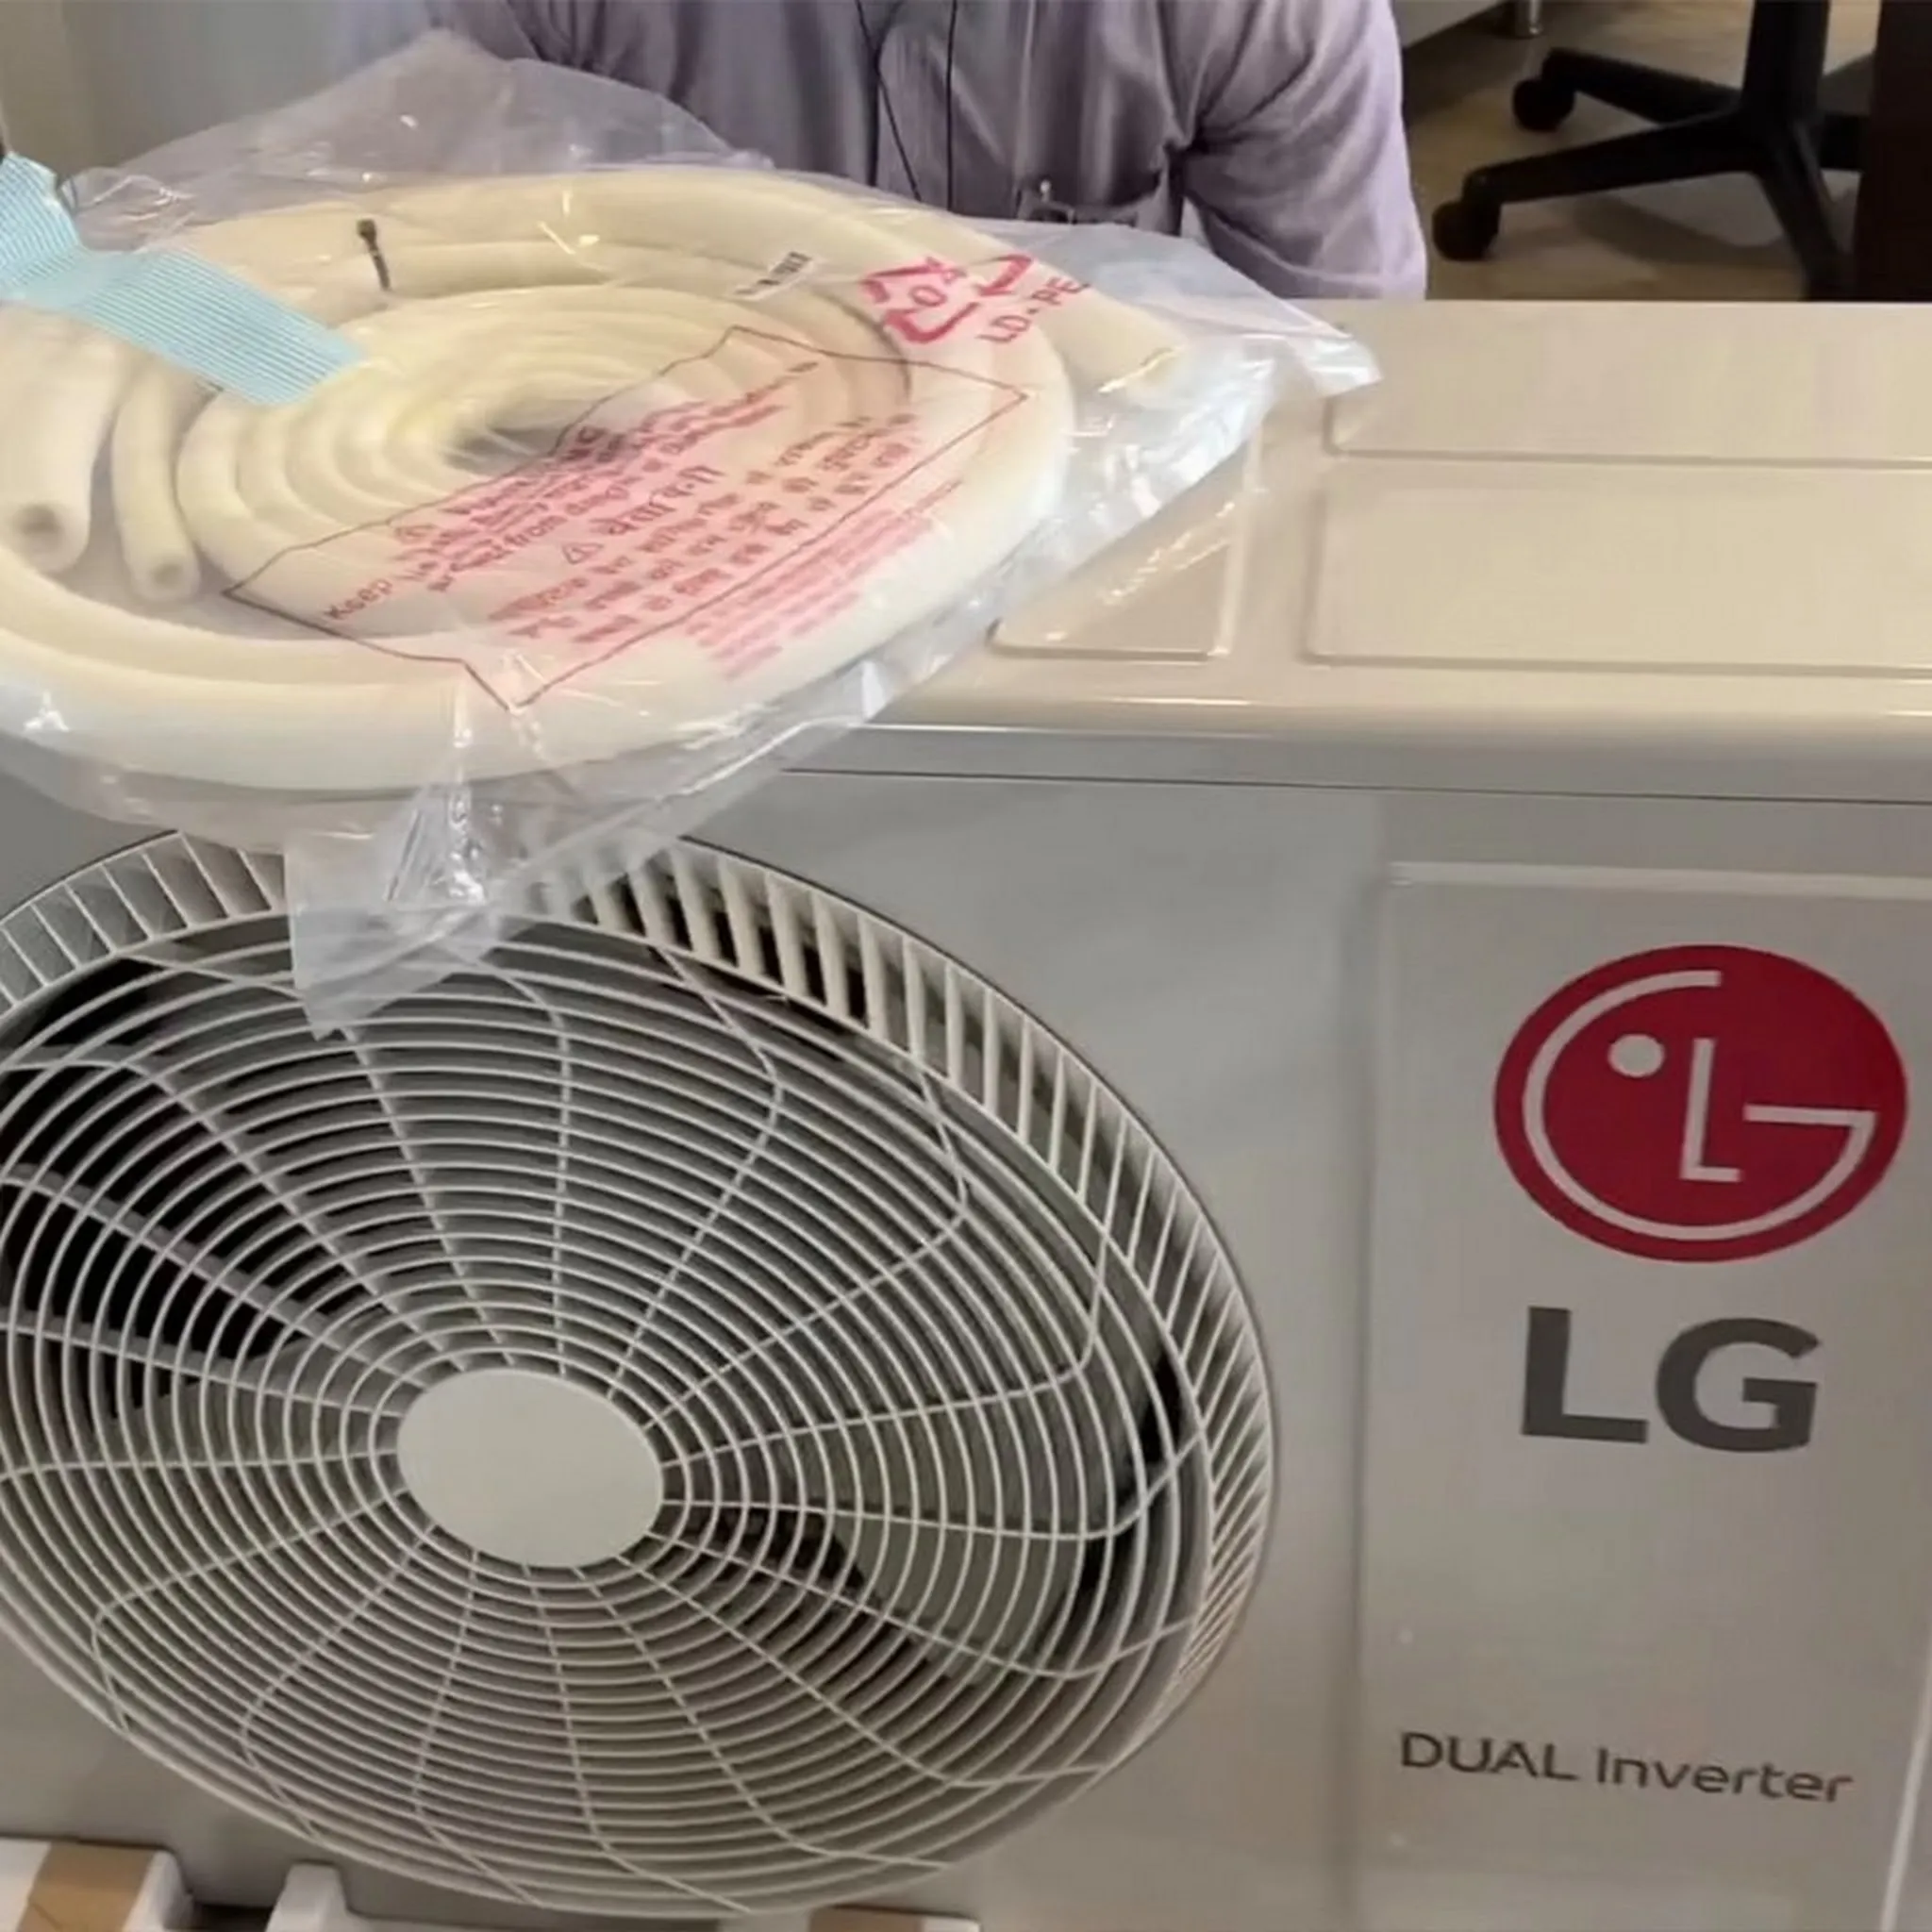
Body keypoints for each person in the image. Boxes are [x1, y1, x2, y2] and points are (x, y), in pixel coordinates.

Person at [341, 0, 1426, 298]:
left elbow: (1349, 358)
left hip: (1102, 504)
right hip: (681, 509)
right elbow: (415, 305)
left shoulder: (1269, 13)